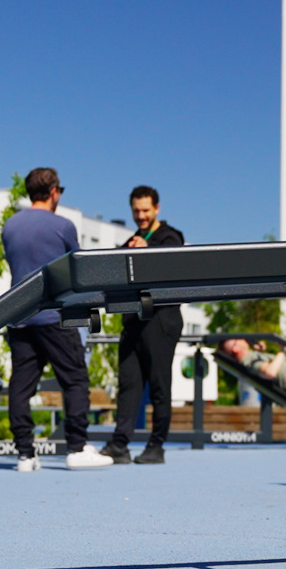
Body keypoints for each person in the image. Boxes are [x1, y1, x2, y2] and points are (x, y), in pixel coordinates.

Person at [2, 167, 110, 472]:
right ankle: (76, 448)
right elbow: (78, 272)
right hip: (54, 317)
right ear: (53, 192)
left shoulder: (10, 226)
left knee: (21, 387)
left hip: (20, 317)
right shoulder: (63, 226)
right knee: (75, 379)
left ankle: (25, 454)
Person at [102, 185, 185, 464]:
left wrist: (147, 248)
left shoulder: (169, 236)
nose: (141, 216)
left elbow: (173, 259)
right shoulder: (132, 239)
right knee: (128, 383)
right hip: (134, 323)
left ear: (157, 209)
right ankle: (120, 444)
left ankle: (156, 445)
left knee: (159, 385)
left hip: (161, 321)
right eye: (136, 211)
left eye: (146, 210)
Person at [219, 338, 286, 403]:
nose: (243, 339)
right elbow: (270, 372)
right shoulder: (248, 361)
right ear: (235, 348)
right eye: (239, 340)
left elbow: (264, 367)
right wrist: (282, 351)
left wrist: (260, 353)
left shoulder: (250, 358)